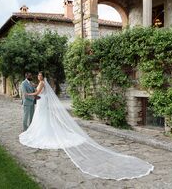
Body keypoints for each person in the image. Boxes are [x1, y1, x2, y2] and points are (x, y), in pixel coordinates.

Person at [19, 71, 154, 180]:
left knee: (43, 119)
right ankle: (40, 131)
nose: (39, 77)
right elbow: (38, 92)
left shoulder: (41, 83)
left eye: (40, 75)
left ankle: (43, 133)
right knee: (42, 119)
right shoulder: (39, 82)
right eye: (38, 75)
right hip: (41, 103)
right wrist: (33, 92)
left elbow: (37, 93)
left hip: (41, 102)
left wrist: (28, 94)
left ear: (43, 77)